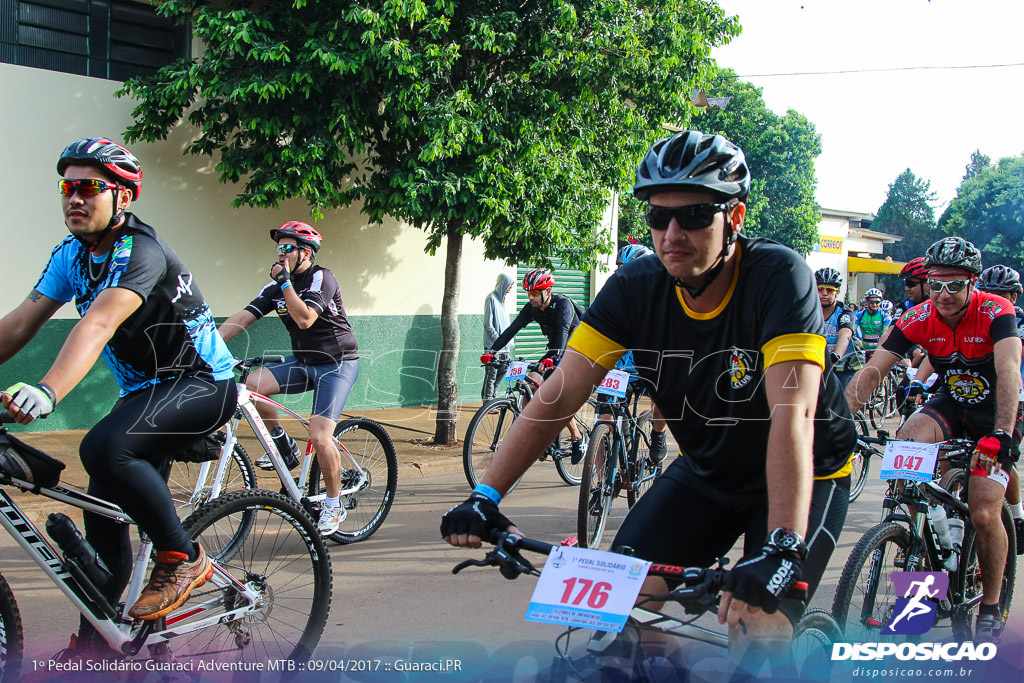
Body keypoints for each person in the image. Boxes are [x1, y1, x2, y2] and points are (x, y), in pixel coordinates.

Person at [444, 130, 855, 668]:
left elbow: (794, 417)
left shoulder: (779, 277)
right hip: (709, 473)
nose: (672, 233)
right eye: (658, 218)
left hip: (807, 472)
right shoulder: (635, 286)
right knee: (623, 606)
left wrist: (781, 544)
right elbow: (558, 394)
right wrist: (486, 497)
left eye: (695, 215)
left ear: (735, 217)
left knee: (756, 625)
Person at [0, 137, 237, 657]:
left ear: (123, 197)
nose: (74, 198)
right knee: (101, 512)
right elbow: (19, 324)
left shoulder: (141, 251)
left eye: (89, 187)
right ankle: (99, 647)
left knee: (102, 448)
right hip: (145, 393)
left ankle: (184, 556)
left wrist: (48, 389)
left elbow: (99, 322)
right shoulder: (71, 256)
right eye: (68, 187)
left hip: (202, 385)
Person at [845, 237, 1022, 641]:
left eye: (954, 285)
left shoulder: (997, 311)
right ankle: (926, 576)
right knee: (909, 455)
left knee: (982, 510)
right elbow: (873, 370)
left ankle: (992, 603)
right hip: (952, 401)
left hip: (994, 411)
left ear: (972, 283)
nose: (943, 294)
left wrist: (1002, 434)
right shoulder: (919, 316)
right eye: (936, 283)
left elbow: (1010, 372)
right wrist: (837, 421)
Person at [218, 221, 359, 536]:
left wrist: (284, 282)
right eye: (278, 248)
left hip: (337, 363)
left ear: (305, 252)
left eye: (286, 248)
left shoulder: (322, 277)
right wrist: (205, 348)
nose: (279, 255)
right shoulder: (275, 289)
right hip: (305, 361)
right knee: (251, 385)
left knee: (320, 435)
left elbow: (306, 318)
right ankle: (284, 446)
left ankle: (333, 506)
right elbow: (241, 318)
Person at [480, 268, 586, 462]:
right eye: (528, 293)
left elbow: (563, 331)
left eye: (535, 293)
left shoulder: (562, 305)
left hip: (576, 347)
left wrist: (553, 358)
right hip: (556, 348)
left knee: (555, 393)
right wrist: (492, 352)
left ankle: (577, 435)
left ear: (547, 291)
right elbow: (512, 329)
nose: (531, 297)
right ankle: (533, 436)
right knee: (530, 384)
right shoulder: (532, 308)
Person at [976, 264, 1024, 553]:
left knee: (1000, 461)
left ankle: (1016, 516)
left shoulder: (1016, 324)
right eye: (988, 293)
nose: (993, 298)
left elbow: (1009, 363)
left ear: (1013, 297)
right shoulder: (970, 318)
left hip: (1011, 400)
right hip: (972, 397)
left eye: (1001, 294)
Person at [816, 267, 862, 394]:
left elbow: (845, 335)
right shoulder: (810, 313)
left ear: (838, 292)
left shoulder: (845, 313)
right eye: (820, 289)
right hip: (822, 365)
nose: (824, 293)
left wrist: (836, 356)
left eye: (830, 290)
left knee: (843, 402)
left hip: (848, 366)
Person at [481, 273, 514, 401]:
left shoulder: (503, 300)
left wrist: (506, 341)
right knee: (491, 374)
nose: (511, 287)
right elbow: (487, 324)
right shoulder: (491, 299)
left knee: (503, 370)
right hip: (493, 345)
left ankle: (492, 398)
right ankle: (487, 401)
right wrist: (499, 341)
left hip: (505, 346)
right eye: (509, 285)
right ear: (503, 284)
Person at [855, 287, 892, 361]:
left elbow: (886, 334)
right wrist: (857, 340)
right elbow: (851, 331)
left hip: (879, 348)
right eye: (872, 302)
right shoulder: (859, 315)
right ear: (867, 302)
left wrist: (880, 349)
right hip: (863, 348)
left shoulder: (885, 316)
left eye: (877, 302)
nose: (875, 304)